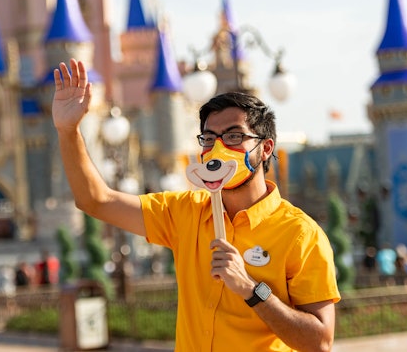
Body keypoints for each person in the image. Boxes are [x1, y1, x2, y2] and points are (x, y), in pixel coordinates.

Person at [51, 59, 340, 352]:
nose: (218, 149)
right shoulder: (184, 212)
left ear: (265, 148)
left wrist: (252, 290)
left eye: (234, 136)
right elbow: (95, 200)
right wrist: (68, 131)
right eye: (209, 138)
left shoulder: (301, 235)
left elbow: (320, 342)